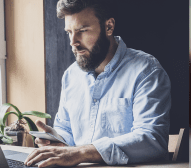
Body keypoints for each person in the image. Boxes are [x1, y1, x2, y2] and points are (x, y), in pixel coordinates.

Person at [24, 0, 171, 167]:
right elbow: (67, 130)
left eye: (82, 31)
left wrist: (81, 152)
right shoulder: (71, 75)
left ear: (109, 26)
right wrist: (58, 140)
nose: (73, 42)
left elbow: (152, 140)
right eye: (69, 32)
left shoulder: (146, 71)